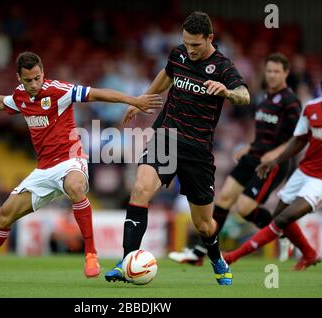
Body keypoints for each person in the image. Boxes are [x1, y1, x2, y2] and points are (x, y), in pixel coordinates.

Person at [0, 51, 162, 283]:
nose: (34, 84)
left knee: (75, 187)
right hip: (44, 170)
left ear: (43, 73)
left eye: (38, 78)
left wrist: (134, 100)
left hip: (71, 159)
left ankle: (91, 254)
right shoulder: (20, 97)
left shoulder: (58, 91)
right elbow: (0, 102)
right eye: (29, 80)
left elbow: (98, 94)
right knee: (3, 215)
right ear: (19, 78)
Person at [105, 12, 250, 285]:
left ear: (210, 39)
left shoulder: (223, 67)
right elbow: (166, 74)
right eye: (186, 43)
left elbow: (245, 95)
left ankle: (217, 257)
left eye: (196, 45)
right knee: (140, 189)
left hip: (197, 151)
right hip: (166, 137)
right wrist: (139, 101)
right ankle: (126, 262)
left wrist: (227, 92)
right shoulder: (178, 54)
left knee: (204, 225)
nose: (190, 50)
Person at [168, 53, 302, 266]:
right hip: (253, 156)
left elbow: (298, 137)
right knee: (223, 200)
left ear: (285, 73)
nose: (272, 76)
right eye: (269, 71)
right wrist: (249, 146)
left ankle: (284, 232)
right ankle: (200, 252)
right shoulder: (264, 97)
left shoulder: (291, 102)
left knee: (244, 208)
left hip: (271, 164)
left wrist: (276, 154)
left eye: (277, 71)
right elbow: (264, 133)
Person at [223, 68, 322, 270]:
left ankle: (232, 256)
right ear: (321, 84)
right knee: (279, 215)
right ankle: (309, 253)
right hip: (304, 171)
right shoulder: (311, 108)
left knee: (284, 218)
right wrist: (276, 160)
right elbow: (299, 140)